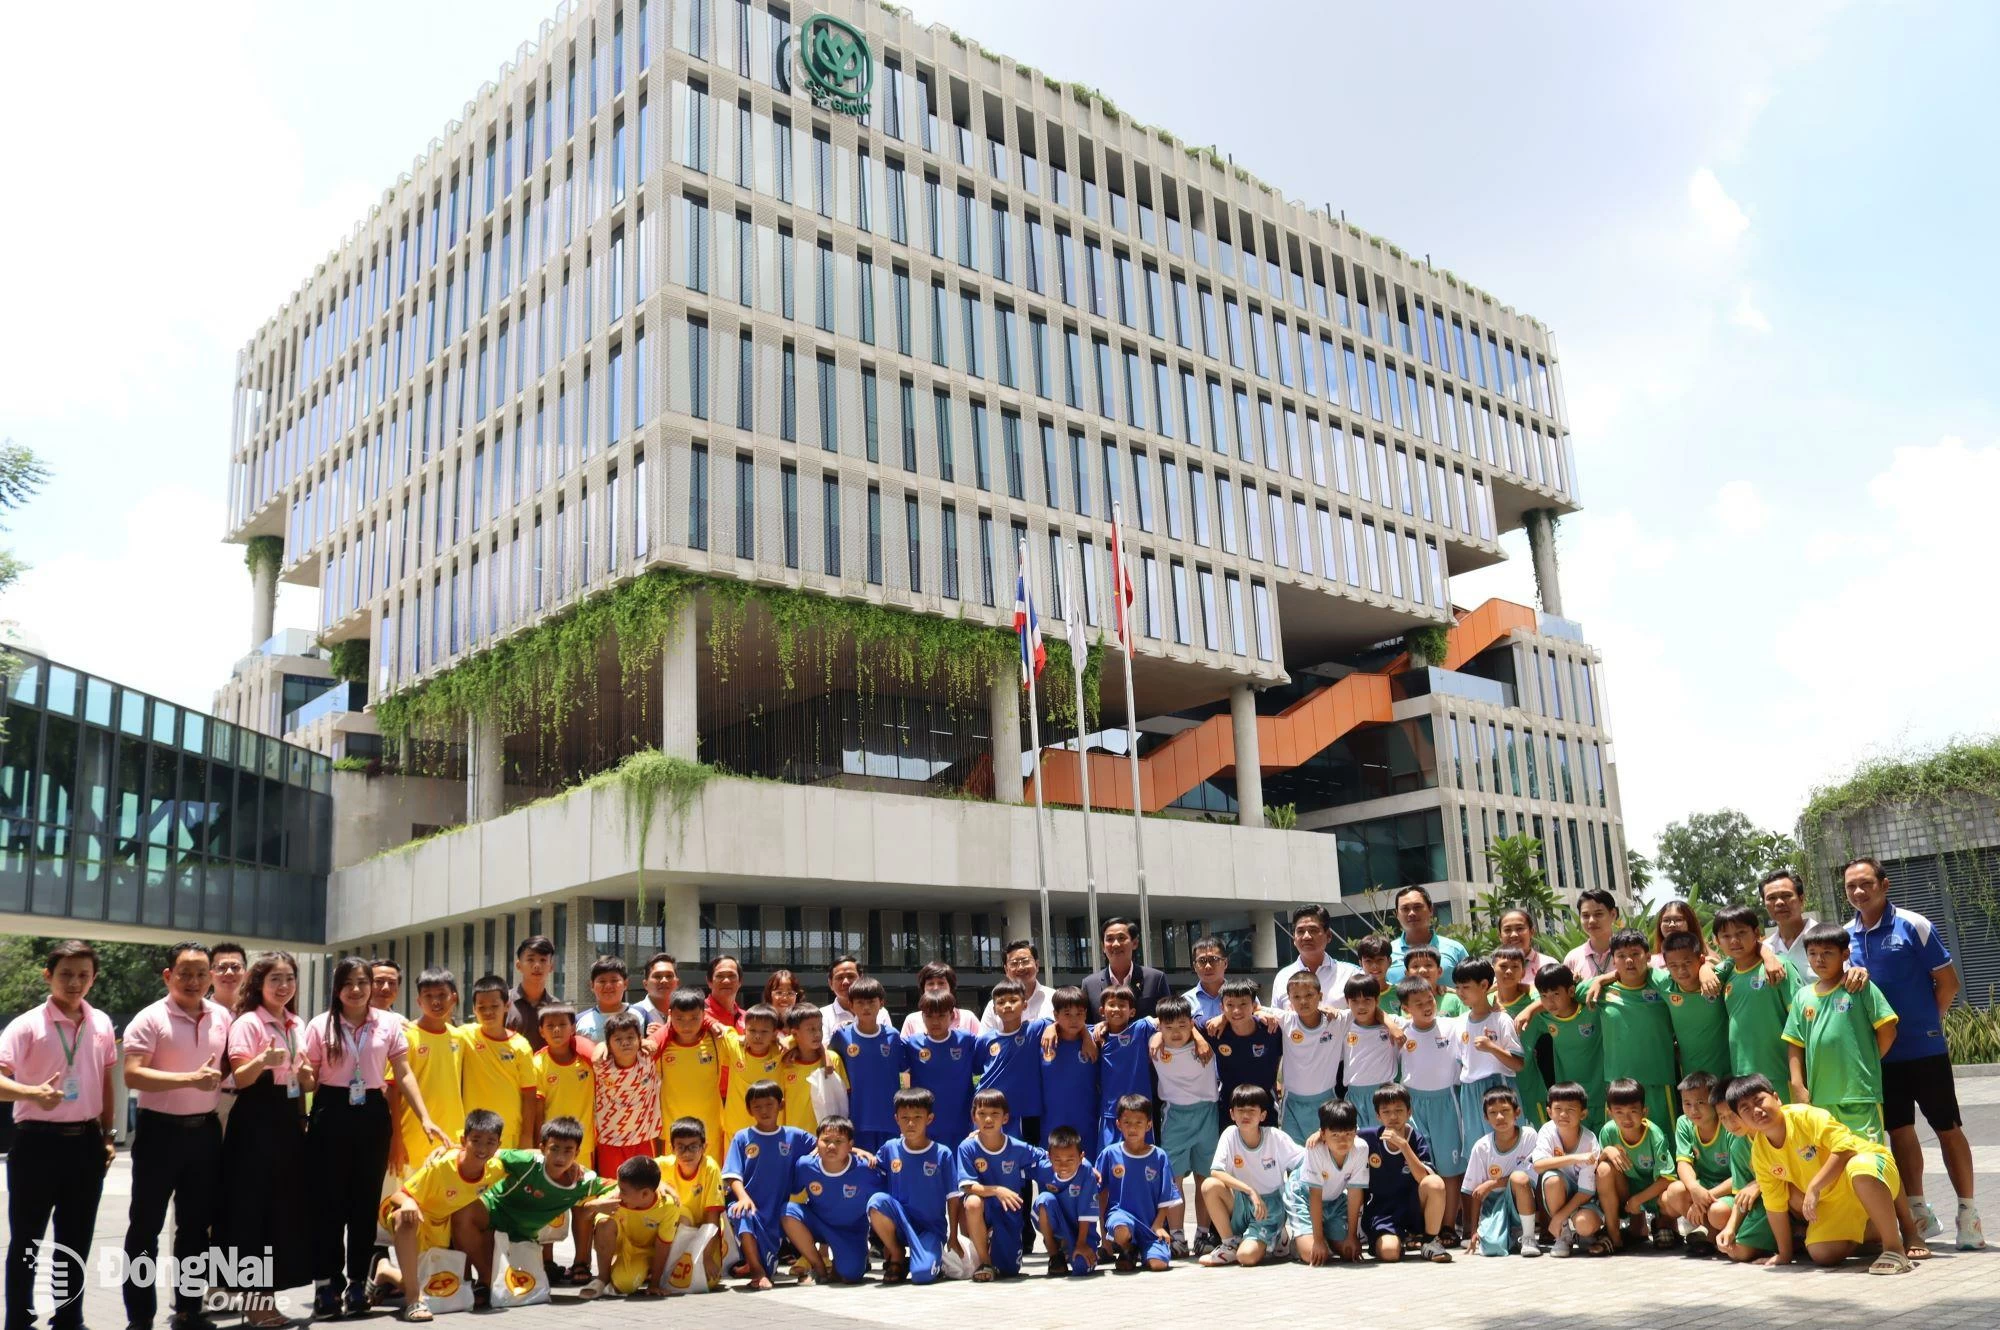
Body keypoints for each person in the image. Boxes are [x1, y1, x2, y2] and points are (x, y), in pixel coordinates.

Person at [1842, 855, 1983, 1248]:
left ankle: (1969, 1213)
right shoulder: (1844, 937)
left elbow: (1948, 983)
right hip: (1879, 1056)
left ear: (1884, 885)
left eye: (1865, 883)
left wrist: (1927, 1025)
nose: (1858, 891)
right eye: (1851, 885)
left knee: (1947, 1128)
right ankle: (1919, 1211)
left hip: (1925, 1050)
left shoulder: (1913, 924)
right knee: (1899, 1131)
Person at [305, 956, 448, 1319]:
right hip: (330, 1111)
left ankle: (356, 1284)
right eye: (348, 983)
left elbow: (403, 1072)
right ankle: (326, 1286)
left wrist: (425, 1117)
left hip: (371, 1112)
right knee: (328, 1205)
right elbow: (308, 1079)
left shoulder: (387, 1024)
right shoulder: (321, 1025)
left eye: (362, 982)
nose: (356, 990)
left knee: (364, 1204)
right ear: (337, 988)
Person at [0, 941, 118, 1330]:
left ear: (94, 979)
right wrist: (32, 1092)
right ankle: (18, 1318)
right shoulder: (27, 1025)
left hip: (85, 1144)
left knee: (76, 1239)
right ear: (48, 975)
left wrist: (107, 1135)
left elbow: (105, 1080)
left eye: (84, 975)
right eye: (66, 974)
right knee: (27, 1241)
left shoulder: (100, 1022)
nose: (75, 982)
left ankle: (70, 1317)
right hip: (36, 1142)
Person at [120, 940, 231, 1330]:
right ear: (169, 975)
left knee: (196, 1227)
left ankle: (189, 1308)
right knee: (145, 1227)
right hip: (159, 1134)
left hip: (204, 1133)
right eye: (185, 973)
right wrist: (189, 1080)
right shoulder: (150, 1018)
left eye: (202, 973)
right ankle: (140, 1316)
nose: (194, 980)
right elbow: (132, 1073)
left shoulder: (222, 1017)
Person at [1726, 1073, 1915, 1273]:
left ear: (1777, 1097)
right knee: (1822, 1253)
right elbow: (1775, 1205)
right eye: (1745, 1108)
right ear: (1740, 1118)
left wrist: (1815, 1187)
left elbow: (1845, 1149)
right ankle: (1873, 1229)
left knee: (1859, 1167)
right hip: (1833, 1200)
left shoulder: (1805, 1116)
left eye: (1759, 1100)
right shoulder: (1760, 1153)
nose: (1756, 1110)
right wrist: (1784, 1254)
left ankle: (1895, 1248)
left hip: (1871, 1167)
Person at [219, 952, 310, 1326]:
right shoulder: (248, 1023)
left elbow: (303, 1080)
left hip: (288, 1119)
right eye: (275, 979)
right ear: (259, 984)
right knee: (250, 1213)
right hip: (255, 1119)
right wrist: (264, 1060)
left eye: (289, 978)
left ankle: (267, 1300)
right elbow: (240, 1077)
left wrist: (306, 1077)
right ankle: (254, 1304)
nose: (284, 986)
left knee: (280, 1212)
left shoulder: (294, 1022)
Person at [452, 1117, 614, 1297]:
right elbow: (485, 1152)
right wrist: (446, 1149)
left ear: (577, 1153)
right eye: (554, 1149)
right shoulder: (526, 1162)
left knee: (525, 1292)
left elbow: (621, 1186)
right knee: (463, 1212)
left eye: (568, 1151)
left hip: (524, 1236)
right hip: (492, 1215)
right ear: (543, 1148)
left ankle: (489, 1282)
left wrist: (600, 1202)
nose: (560, 1157)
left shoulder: (583, 1181)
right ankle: (479, 1280)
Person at [375, 1109, 507, 1320]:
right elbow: (398, 1196)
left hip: (442, 1229)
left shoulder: (496, 1167)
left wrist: (572, 1167)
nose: (483, 1148)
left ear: (498, 1146)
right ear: (464, 1140)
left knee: (440, 1291)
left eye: (490, 1142)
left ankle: (386, 1271)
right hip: (416, 1222)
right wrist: (409, 1202)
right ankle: (413, 1301)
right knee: (405, 1216)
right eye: (476, 1140)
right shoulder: (441, 1165)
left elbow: (533, 1157)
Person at [1785, 922, 1900, 1141]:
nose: (1820, 959)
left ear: (1845, 954)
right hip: (1820, 1098)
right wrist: (1798, 1086)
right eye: (1813, 953)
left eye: (1828, 952)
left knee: (1867, 1158)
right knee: (1831, 1162)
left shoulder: (1859, 987)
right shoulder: (1802, 997)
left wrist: (1869, 1059)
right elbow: (1794, 1044)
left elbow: (1888, 1029)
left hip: (1860, 1095)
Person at [722, 1079, 816, 1290]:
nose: (764, 1111)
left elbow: (824, 1144)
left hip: (775, 1211)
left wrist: (855, 1151)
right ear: (749, 1109)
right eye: (757, 1106)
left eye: (769, 1105)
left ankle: (758, 1264)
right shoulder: (742, 1137)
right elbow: (732, 1174)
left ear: (780, 1105)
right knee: (743, 1213)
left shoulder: (794, 1135)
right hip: (748, 1205)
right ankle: (755, 1270)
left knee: (769, 1263)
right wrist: (743, 1197)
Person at [1197, 1085, 1303, 1267]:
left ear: (1262, 1115)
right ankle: (1229, 1244)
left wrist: (1290, 1193)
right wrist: (1249, 1190)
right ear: (1232, 1114)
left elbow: (1304, 1162)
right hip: (1243, 1200)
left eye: (1252, 1110)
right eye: (1240, 1110)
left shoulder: (1275, 1137)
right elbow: (1216, 1171)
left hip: (1269, 1207)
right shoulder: (1230, 1134)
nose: (1245, 1115)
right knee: (1209, 1185)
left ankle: (1277, 1232)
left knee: (1246, 1257)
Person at [1394, 978, 1468, 1240]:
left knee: (1449, 1168)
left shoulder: (1452, 1026)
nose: (1427, 1007)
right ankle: (1421, 1227)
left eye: (1430, 1001)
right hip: (1413, 1105)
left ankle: (1447, 1226)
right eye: (1418, 1004)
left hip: (1447, 1103)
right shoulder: (1399, 1030)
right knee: (1418, 1168)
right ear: (1405, 1008)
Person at [1586, 929, 1680, 1130]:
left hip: (1658, 1081)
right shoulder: (1598, 990)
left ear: (1648, 956)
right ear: (1613, 959)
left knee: (1665, 1144)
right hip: (1618, 1084)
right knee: (1620, 1148)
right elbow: (1559, 993)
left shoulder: (1662, 983)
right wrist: (1531, 1010)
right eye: (1621, 956)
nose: (1629, 961)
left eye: (1636, 954)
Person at [1148, 995, 1219, 1258]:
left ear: (1191, 1023)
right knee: (1174, 1179)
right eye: (1168, 1027)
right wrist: (1157, 1035)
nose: (1175, 1032)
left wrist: (1199, 1037)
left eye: (1181, 1025)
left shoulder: (1207, 1041)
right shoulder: (1154, 1045)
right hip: (1175, 1116)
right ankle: (1177, 1235)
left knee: (1205, 1177)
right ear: (1159, 1027)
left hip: (1207, 1114)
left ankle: (1203, 1232)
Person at [533, 1006, 598, 1281]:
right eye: (550, 1026)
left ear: (574, 1028)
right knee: (547, 1205)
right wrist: (539, 1145)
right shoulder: (537, 1063)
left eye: (563, 1024)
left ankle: (582, 1261)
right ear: (541, 1031)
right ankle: (546, 1262)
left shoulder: (588, 1060)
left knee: (583, 1205)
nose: (557, 1030)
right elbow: (536, 1110)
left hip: (585, 1147)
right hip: (552, 1151)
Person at [781, 1116, 883, 1284]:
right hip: (818, 1223)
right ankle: (818, 1267)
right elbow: (793, 1189)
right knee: (786, 1211)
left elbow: (885, 1199)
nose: (831, 1146)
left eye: (838, 1141)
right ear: (817, 1142)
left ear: (850, 1144)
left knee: (850, 1276)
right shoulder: (805, 1165)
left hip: (851, 1231)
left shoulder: (865, 1168)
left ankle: (851, 1261)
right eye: (826, 1140)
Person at [1714, 905, 1801, 1100]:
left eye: (1741, 933)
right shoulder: (1726, 976)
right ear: (1717, 941)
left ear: (1757, 933)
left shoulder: (1778, 967)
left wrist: (1798, 1077)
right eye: (1726, 936)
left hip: (1780, 1073)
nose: (1734, 941)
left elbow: (1800, 1021)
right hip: (1742, 1077)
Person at [956, 1089, 1042, 1280]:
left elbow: (1049, 1159)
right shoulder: (967, 1147)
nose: (988, 1119)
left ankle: (996, 1241)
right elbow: (968, 1186)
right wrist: (997, 1190)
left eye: (995, 1114)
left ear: (1005, 1118)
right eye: (982, 1114)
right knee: (972, 1202)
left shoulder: (1018, 1147)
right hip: (984, 1207)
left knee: (1009, 1271)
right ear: (974, 1117)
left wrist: (1085, 1166)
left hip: (1008, 1212)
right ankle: (984, 1262)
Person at [1359, 1085, 1450, 1263]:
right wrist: (1319, 1134)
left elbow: (1424, 1178)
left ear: (1409, 1112)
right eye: (1386, 1111)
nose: (1393, 1116)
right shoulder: (1368, 1137)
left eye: (1399, 1110)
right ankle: (1398, 1241)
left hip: (1413, 1208)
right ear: (1378, 1115)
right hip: (1383, 1212)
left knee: (1435, 1183)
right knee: (1389, 1253)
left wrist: (1404, 1146)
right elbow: (1341, 1135)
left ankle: (1430, 1242)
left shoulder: (1416, 1138)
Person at [1452, 958, 1525, 1178]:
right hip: (1470, 1092)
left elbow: (1518, 1064)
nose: (1460, 993)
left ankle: (1518, 1198)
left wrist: (1491, 1047)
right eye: (1457, 987)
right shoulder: (1458, 1022)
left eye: (1466, 987)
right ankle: (1485, 1204)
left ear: (1484, 986)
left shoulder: (1501, 1020)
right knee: (1478, 1147)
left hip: (1498, 1087)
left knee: (1509, 1144)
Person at [1094, 1093, 1180, 1272]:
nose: (1132, 1128)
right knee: (1121, 1228)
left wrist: (1158, 1225)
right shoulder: (1110, 1154)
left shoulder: (1159, 1157)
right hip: (1120, 1217)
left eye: (1138, 1122)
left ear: (1149, 1125)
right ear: (1118, 1124)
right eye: (1127, 1122)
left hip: (1150, 1224)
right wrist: (1104, 1238)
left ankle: (1142, 1251)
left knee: (1158, 1265)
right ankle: (1127, 1249)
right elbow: (1100, 1194)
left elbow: (1166, 1197)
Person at [578, 1155, 679, 1299]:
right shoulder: (616, 1196)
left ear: (645, 1193)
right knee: (605, 1223)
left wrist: (655, 1284)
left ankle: (639, 1272)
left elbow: (663, 1245)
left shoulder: (668, 1206)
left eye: (624, 1191)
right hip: (620, 1243)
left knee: (624, 1285)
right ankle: (603, 1278)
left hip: (643, 1253)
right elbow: (583, 1216)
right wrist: (594, 1206)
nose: (619, 1193)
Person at [397, 969, 467, 1174]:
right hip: (414, 1137)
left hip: (452, 1136)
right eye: (428, 996)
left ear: (453, 998)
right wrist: (396, 1140)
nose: (436, 1002)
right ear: (419, 1001)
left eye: (442, 995)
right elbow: (393, 1091)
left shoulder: (460, 1037)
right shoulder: (406, 1036)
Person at [1594, 1078, 1676, 1250]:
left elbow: (1667, 1179)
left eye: (1633, 1111)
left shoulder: (1655, 1135)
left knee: (1673, 1193)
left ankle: (1664, 1223)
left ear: (1644, 1111)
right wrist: (1606, 1152)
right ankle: (1614, 1234)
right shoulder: (1608, 1132)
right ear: (1610, 1113)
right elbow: (1596, 1169)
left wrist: (1638, 1199)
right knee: (1603, 1168)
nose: (1627, 1118)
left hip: (1654, 1193)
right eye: (1619, 1112)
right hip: (1626, 1192)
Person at [461, 974, 541, 1149]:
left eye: (494, 1006)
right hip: (474, 1133)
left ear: (507, 1006)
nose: (488, 1012)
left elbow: (529, 1096)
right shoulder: (464, 1035)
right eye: (481, 1007)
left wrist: (527, 1136)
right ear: (474, 1009)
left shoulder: (520, 1045)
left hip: (509, 1133)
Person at [1459, 1086, 1541, 1258]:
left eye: (1505, 1110)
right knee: (1492, 1248)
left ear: (1517, 1112)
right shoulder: (1481, 1147)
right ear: (1485, 1117)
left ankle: (1528, 1237)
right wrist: (1473, 1230)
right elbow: (1474, 1192)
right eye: (1493, 1112)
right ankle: (1508, 1236)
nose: (1500, 1117)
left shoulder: (1529, 1136)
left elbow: (1532, 1174)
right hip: (1494, 1204)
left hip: (1523, 1197)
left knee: (1519, 1178)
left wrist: (1493, 1183)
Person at [1287, 1098, 1369, 1266]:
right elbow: (1314, 1195)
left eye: (1348, 1134)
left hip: (1334, 1200)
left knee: (1349, 1251)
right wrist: (1317, 1241)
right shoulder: (1315, 1148)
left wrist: (1352, 1236)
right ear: (1322, 1134)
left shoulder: (1361, 1148)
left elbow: (1355, 1193)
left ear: (1356, 1131)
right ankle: (1300, 1241)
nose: (1343, 1141)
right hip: (1304, 1196)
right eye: (1335, 1135)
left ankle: (1326, 1235)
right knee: (1313, 1255)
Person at [1520, 964, 1606, 1122]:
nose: (1549, 1001)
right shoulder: (1542, 1018)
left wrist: (1601, 979)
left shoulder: (1591, 1005)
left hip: (1602, 1094)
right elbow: (1525, 988)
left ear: (1571, 991)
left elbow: (1616, 975)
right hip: (1569, 1098)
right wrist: (1529, 1010)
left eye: (1555, 994)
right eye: (1544, 996)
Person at [1530, 1082, 1607, 1257]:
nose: (1563, 1114)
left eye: (1571, 1109)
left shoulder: (1589, 1140)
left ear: (1583, 1114)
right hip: (1559, 1191)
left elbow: (1586, 1191)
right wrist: (1575, 1158)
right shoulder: (1547, 1131)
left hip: (1583, 1198)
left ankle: (1581, 1234)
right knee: (1551, 1179)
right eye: (1558, 1109)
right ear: (1549, 1112)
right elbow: (1538, 1165)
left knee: (1585, 1225)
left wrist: (1557, 1216)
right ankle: (1563, 1235)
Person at [652, 988, 726, 1166]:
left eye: (694, 1018)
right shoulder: (661, 1046)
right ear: (670, 1015)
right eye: (680, 1019)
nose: (687, 1025)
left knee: (710, 1178)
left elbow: (748, 1043)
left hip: (710, 1131)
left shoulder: (717, 1040)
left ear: (704, 1015)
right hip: (673, 1131)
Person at [1664, 1071, 1737, 1253]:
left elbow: (1740, 1176)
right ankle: (1709, 1233)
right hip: (1703, 1186)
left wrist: (1703, 1198)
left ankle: (1711, 1233)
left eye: (1700, 1103)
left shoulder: (1729, 1125)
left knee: (1717, 1212)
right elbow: (1683, 1163)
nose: (1693, 1110)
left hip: (1729, 1189)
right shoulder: (1684, 1123)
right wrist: (1695, 1189)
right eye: (1687, 1104)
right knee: (1673, 1192)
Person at [978, 979, 1050, 1150]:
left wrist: (1054, 1028)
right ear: (994, 1009)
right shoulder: (986, 1040)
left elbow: (1060, 1024)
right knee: (992, 1155)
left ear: (1025, 1005)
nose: (1007, 1005)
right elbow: (977, 1067)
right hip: (992, 1110)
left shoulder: (1035, 1030)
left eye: (1013, 1000)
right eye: (1001, 1002)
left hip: (1025, 1111)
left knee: (1026, 1158)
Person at [837, 976, 906, 1153]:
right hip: (856, 1120)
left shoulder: (893, 1036)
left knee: (890, 1169)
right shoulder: (841, 1036)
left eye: (871, 1002)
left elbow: (906, 1073)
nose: (866, 1007)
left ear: (881, 1003)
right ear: (851, 1005)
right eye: (859, 1002)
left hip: (889, 1119)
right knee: (862, 1171)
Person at [590, 1011, 662, 1178]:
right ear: (609, 1043)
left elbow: (672, 1028)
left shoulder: (648, 1058)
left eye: (630, 1038)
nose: (625, 1043)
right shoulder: (600, 1065)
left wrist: (646, 1041)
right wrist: (599, 1046)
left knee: (644, 1186)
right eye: (618, 1039)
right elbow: (576, 1041)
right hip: (610, 1140)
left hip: (643, 1139)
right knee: (614, 1188)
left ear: (639, 1039)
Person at [1711, 1080, 1777, 1263]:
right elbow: (1740, 1192)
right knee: (1734, 1250)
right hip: (1760, 1203)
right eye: (1722, 1117)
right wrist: (1730, 1229)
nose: (1729, 1123)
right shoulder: (1739, 1144)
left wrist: (1759, 1184)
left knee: (1740, 1252)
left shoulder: (1772, 1132)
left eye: (1733, 1114)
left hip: (1782, 1197)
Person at [655, 1117, 726, 1288]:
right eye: (681, 1147)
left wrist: (706, 1256)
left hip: (704, 1231)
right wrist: (658, 1182)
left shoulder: (710, 1168)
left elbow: (712, 1215)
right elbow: (630, 1170)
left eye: (693, 1147)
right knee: (679, 1213)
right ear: (672, 1148)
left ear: (704, 1146)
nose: (687, 1153)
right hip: (675, 1227)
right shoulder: (662, 1164)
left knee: (710, 1281)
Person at [1275, 970, 1342, 1145]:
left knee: (1328, 1152)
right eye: (1296, 997)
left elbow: (1369, 1011)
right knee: (1295, 1159)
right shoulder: (1285, 1019)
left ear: (1320, 996)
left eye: (1309, 995)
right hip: (1292, 1104)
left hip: (1327, 1101)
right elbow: (1254, 1009)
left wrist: (1391, 1025)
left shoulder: (1336, 1020)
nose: (1303, 1001)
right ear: (1289, 1000)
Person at [1087, 985, 1156, 1153]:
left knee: (1142, 1161)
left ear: (1131, 1012)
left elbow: (1169, 1019)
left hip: (1140, 1113)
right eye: (1112, 1004)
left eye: (1122, 1005)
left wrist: (1159, 1036)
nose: (1117, 1009)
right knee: (1108, 1165)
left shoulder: (1141, 1028)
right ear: (1102, 1010)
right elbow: (1068, 1026)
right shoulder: (1094, 1035)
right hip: (1110, 1113)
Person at [1029, 1125, 1101, 1276]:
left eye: (1070, 1160)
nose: (1063, 1165)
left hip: (1082, 1231)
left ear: (1081, 1157)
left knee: (1081, 1268)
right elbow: (1017, 1156)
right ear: (1049, 1157)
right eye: (1057, 1160)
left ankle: (1071, 1246)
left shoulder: (1086, 1172)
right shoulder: (1043, 1168)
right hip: (1057, 1223)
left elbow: (1086, 1212)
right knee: (1044, 1199)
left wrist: (1081, 1244)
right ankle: (1055, 1254)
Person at [1335, 974, 1400, 1130]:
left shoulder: (1395, 1023)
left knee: (1386, 1144)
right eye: (1355, 1001)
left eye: (1367, 1000)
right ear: (1347, 1002)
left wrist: (1390, 1025)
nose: (1361, 1006)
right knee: (1358, 1146)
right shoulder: (1343, 1023)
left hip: (1385, 1096)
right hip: (1355, 1096)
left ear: (1377, 1000)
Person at [718, 1004, 788, 1148]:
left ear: (775, 1033)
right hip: (735, 1129)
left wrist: (784, 1039)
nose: (757, 1036)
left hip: (771, 1130)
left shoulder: (782, 1050)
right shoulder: (734, 1045)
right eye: (752, 1030)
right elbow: (706, 1020)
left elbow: (808, 1038)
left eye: (764, 1031)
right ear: (744, 1030)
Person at [1038, 986, 1100, 1147]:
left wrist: (1087, 1035)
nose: (1074, 1020)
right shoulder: (1043, 1038)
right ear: (1055, 1015)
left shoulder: (1096, 1039)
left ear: (1086, 1014)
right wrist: (1052, 1027)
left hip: (1086, 1121)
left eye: (1079, 1014)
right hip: (1051, 1121)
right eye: (1067, 1014)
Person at [1268, 906, 1360, 1011]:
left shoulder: (1351, 975)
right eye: (1300, 931)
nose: (1306, 936)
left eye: (1313, 930)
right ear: (1294, 938)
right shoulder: (1282, 977)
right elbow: (1275, 1021)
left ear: (1329, 935)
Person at [1081, 917, 1172, 1019]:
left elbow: (1169, 1019)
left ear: (1135, 943)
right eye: (1110, 939)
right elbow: (1083, 1025)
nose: (1115, 944)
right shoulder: (1089, 984)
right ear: (1103, 946)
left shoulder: (1156, 979)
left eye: (1121, 938)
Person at [778, 1003, 847, 1132]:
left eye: (819, 1028)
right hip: (794, 1137)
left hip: (826, 1137)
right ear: (794, 1033)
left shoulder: (833, 1059)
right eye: (811, 1029)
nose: (817, 1034)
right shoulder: (785, 1064)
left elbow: (844, 1096)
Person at [1385, 887, 1470, 985]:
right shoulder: (1387, 953)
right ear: (1397, 914)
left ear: (1430, 910)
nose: (1411, 913)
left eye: (1417, 907)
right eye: (1405, 909)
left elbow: (1473, 985)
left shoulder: (1455, 950)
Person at [897, 961, 984, 1037]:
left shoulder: (968, 1018)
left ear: (951, 987)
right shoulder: (912, 1021)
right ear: (923, 988)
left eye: (941, 983)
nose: (936, 988)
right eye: (930, 983)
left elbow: (982, 1049)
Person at [980, 939, 1052, 1029]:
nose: (1020, 968)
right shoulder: (994, 1006)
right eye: (1014, 963)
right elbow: (983, 1040)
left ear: (1037, 965)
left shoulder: (1053, 998)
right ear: (1006, 970)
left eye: (1025, 961)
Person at [1760, 868, 1823, 971]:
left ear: (1801, 899)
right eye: (1771, 898)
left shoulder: (1827, 939)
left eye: (1786, 896)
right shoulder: (1766, 949)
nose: (1779, 902)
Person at [505, 935, 559, 1051]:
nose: (537, 965)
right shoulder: (503, 1002)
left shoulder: (556, 1007)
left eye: (543, 960)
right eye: (530, 959)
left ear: (551, 966)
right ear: (518, 965)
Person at [1563, 888, 1622, 981]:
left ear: (1613, 914)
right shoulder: (1573, 959)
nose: (1592, 921)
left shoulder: (1628, 955)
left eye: (1598, 914)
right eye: (1585, 916)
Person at [574, 956, 630, 1042]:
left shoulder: (642, 1015)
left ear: (625, 984)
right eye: (602, 981)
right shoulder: (579, 1021)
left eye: (614, 980)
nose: (608, 986)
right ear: (592, 985)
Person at [1181, 934, 1233, 1024]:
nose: (1208, 966)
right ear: (1194, 966)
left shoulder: (1243, 995)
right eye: (1202, 961)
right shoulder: (1186, 1001)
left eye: (1214, 959)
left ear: (1225, 963)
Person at [1495, 909, 1558, 979]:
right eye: (1507, 930)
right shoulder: (1492, 972)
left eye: (1519, 928)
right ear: (1500, 936)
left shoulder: (1549, 964)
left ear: (1531, 932)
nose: (1514, 935)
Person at [628, 953, 677, 1029]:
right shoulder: (634, 1015)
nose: (664, 980)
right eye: (657, 976)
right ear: (645, 984)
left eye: (669, 976)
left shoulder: (688, 1012)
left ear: (677, 982)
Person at [704, 955, 746, 1031]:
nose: (726, 981)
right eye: (719, 976)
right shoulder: (696, 1015)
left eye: (732, 976)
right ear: (709, 982)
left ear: (740, 982)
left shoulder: (747, 1018)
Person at [210, 941, 249, 1012]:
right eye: (222, 967)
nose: (229, 972)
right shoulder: (197, 1012)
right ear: (210, 976)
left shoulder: (254, 1013)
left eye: (235, 967)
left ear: (245, 974)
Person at [824, 955, 862, 1028]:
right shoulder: (822, 1016)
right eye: (839, 977)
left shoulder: (879, 1013)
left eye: (851, 976)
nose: (845, 982)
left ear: (861, 979)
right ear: (830, 983)